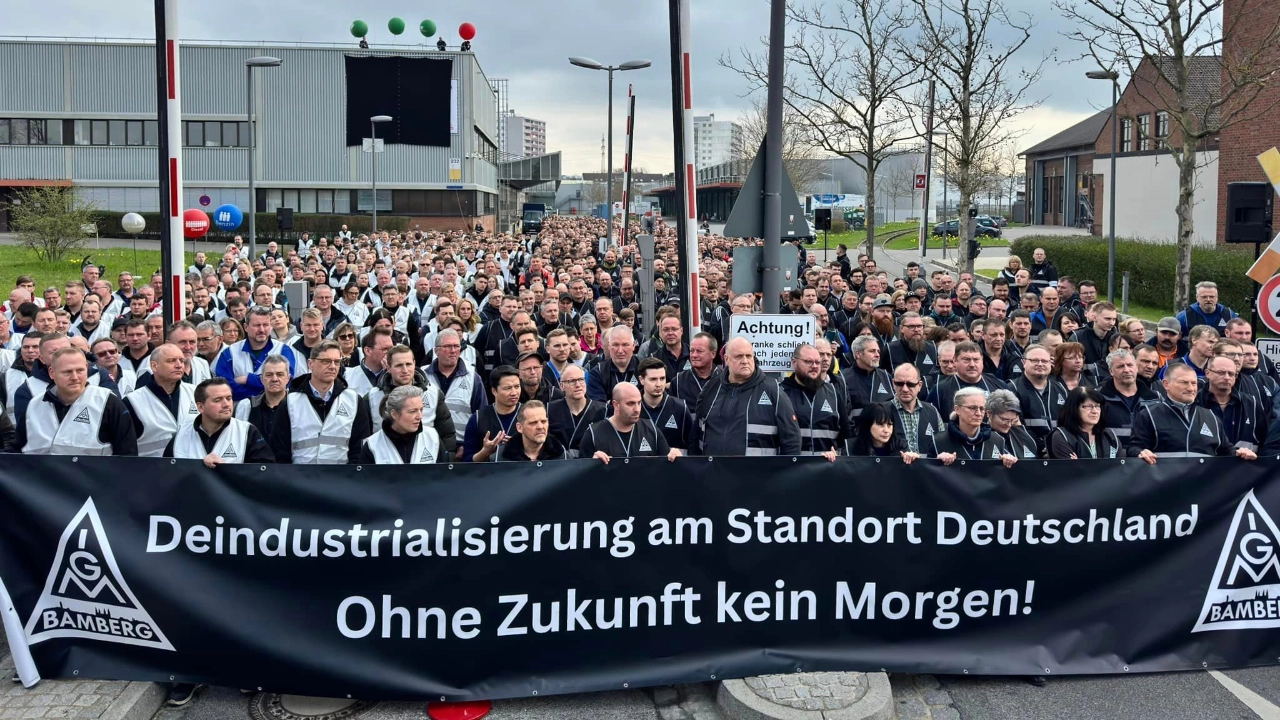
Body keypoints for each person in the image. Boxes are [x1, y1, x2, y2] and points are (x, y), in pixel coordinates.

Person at [15, 347, 137, 455]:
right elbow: (16, 450)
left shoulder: (108, 402)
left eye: (80, 371)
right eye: (67, 372)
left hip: (94, 480)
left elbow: (127, 454)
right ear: (52, 373)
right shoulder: (34, 406)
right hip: (41, 480)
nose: (75, 377)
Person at [268, 340, 373, 464]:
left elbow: (359, 449)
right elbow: (280, 450)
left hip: (342, 478)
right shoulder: (290, 403)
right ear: (310, 364)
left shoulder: (354, 401)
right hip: (300, 479)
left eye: (337, 362)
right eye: (326, 361)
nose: (333, 366)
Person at [692, 337, 801, 456]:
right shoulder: (711, 388)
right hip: (714, 471)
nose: (745, 361)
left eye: (748, 356)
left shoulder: (772, 391)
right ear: (727, 359)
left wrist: (784, 472)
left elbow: (792, 439)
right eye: (739, 356)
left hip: (759, 473)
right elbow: (696, 433)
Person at [1128, 362, 1256, 462]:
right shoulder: (1149, 414)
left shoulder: (1211, 417)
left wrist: (1239, 453)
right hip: (1164, 489)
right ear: (1166, 384)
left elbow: (1226, 450)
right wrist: (1140, 452)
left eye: (1194, 383)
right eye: (1184, 383)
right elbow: (1134, 448)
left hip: (1202, 491)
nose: (1190, 388)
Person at [165, 377, 273, 465]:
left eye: (229, 398)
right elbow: (168, 474)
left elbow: (264, 472)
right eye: (218, 400)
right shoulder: (182, 434)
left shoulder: (247, 432)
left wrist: (226, 470)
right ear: (200, 407)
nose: (226, 404)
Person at [123, 344, 200, 457]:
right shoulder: (132, 401)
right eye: (171, 361)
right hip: (152, 469)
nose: (179, 365)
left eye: (181, 360)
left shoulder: (196, 393)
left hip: (190, 468)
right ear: (154, 366)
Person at [214, 306, 303, 402]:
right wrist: (263, 391)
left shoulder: (283, 350)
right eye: (256, 325)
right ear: (246, 327)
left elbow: (285, 382)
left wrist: (248, 379)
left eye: (265, 325)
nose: (261, 329)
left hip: (276, 409)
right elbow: (224, 388)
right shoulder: (229, 353)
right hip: (239, 410)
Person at [779, 343, 851, 460]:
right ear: (794, 362)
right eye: (808, 362)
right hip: (792, 469)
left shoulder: (833, 392)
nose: (814, 366)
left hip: (825, 468)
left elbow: (846, 434)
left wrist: (838, 454)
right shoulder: (781, 392)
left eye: (817, 362)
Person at [579, 383, 681, 462]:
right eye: (630, 403)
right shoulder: (593, 434)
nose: (637, 409)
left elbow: (666, 467)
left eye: (639, 403)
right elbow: (581, 477)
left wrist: (675, 457)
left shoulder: (651, 429)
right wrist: (592, 464)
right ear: (616, 404)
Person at [423, 329, 487, 454]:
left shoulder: (473, 377)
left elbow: (481, 416)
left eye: (456, 346)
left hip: (462, 447)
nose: (453, 350)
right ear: (436, 350)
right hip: (427, 445)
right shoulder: (421, 376)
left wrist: (469, 447)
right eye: (447, 346)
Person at [931, 386, 1017, 466]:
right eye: (972, 408)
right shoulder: (938, 441)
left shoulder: (997, 440)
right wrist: (936, 461)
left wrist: (1008, 461)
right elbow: (927, 475)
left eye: (982, 409)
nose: (978, 413)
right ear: (957, 409)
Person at [1197, 354, 1267, 452]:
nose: (1226, 377)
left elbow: (1264, 440)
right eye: (1221, 372)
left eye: (1231, 374)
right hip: (1204, 465)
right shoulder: (1196, 401)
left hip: (1243, 464)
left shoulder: (1251, 404)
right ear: (1207, 373)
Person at [357, 385, 444, 464]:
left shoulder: (432, 437)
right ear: (394, 414)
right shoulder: (372, 445)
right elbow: (365, 480)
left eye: (421, 409)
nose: (420, 416)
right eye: (412, 411)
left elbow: (445, 477)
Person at [927, 341, 1009, 419]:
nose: (972, 365)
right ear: (955, 361)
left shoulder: (999, 385)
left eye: (976, 360)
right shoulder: (939, 390)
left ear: (982, 360)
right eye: (966, 360)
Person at [1008, 344, 1067, 452]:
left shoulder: (1061, 389)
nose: (1040, 364)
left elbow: (1069, 422)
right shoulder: (1012, 389)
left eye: (1045, 361)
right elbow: (1016, 424)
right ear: (1024, 362)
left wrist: (1058, 446)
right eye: (1035, 360)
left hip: (1059, 450)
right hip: (1027, 451)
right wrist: (1042, 447)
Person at [1098, 349, 1159, 444]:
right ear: (1111, 371)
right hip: (1112, 456)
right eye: (1120, 366)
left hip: (1147, 456)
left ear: (1136, 368)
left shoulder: (1156, 398)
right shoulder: (1098, 398)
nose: (1127, 370)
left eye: (1130, 365)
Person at [463, 365, 523, 462]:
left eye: (517, 387)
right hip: (487, 475)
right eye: (507, 388)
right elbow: (467, 462)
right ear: (494, 391)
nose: (514, 392)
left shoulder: (530, 414)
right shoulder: (478, 419)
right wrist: (485, 452)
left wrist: (523, 445)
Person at [547, 363, 607, 457]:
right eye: (572, 381)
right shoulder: (549, 410)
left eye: (581, 380)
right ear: (562, 386)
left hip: (591, 464)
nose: (578, 385)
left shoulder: (603, 410)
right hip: (559, 465)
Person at [636, 357, 695, 453]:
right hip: (642, 466)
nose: (658, 384)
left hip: (672, 466)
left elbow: (692, 443)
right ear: (641, 380)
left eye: (662, 378)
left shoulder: (680, 408)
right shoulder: (633, 408)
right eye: (653, 379)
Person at [1048, 386, 1122, 459]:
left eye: (1097, 406)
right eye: (1088, 406)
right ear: (1074, 408)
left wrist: (1080, 463)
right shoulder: (1062, 436)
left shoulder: (1110, 436)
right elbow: (1070, 469)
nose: (1095, 411)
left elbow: (1122, 467)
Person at [234, 354, 291, 440]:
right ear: (261, 379)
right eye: (269, 375)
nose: (274, 379)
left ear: (288, 378)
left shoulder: (298, 406)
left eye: (280, 374)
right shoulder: (247, 406)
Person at [841, 335, 895, 425]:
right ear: (858, 354)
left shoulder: (886, 376)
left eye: (878, 351)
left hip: (884, 434)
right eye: (872, 351)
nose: (877, 355)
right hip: (855, 436)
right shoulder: (843, 378)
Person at [846, 401, 919, 463]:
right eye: (880, 425)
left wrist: (913, 459)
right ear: (867, 425)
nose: (886, 430)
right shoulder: (849, 447)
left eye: (889, 425)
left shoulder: (901, 446)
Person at [498, 401, 568, 461]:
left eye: (543, 421)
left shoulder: (563, 456)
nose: (540, 427)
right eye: (533, 423)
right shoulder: (500, 458)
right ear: (519, 427)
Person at [587, 326, 640, 401]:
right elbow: (599, 408)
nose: (620, 350)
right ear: (609, 346)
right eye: (615, 345)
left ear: (633, 346)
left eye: (625, 345)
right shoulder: (598, 373)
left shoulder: (644, 369)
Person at [670, 332, 720, 409]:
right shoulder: (678, 382)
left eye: (699, 351)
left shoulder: (725, 379)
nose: (694, 355)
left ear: (713, 354)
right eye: (692, 351)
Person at [986, 389, 1039, 459]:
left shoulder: (1025, 436)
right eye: (1004, 420)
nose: (1009, 424)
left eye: (1013, 420)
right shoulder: (981, 437)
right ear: (989, 414)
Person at [344, 329, 392, 396]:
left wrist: (389, 375)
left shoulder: (395, 375)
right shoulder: (347, 376)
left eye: (392, 348)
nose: (390, 353)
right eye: (385, 349)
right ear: (368, 351)